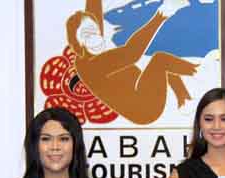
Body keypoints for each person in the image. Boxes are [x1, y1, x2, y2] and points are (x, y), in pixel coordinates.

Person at [65, 0, 197, 124]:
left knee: (158, 62)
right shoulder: (90, 66)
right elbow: (132, 53)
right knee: (160, 60)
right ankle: (198, 70)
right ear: (77, 42)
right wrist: (162, 14)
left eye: (96, 31)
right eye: (87, 35)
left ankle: (184, 99)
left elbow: (94, 11)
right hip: (144, 109)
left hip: (140, 90)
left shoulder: (88, 51)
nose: (96, 37)